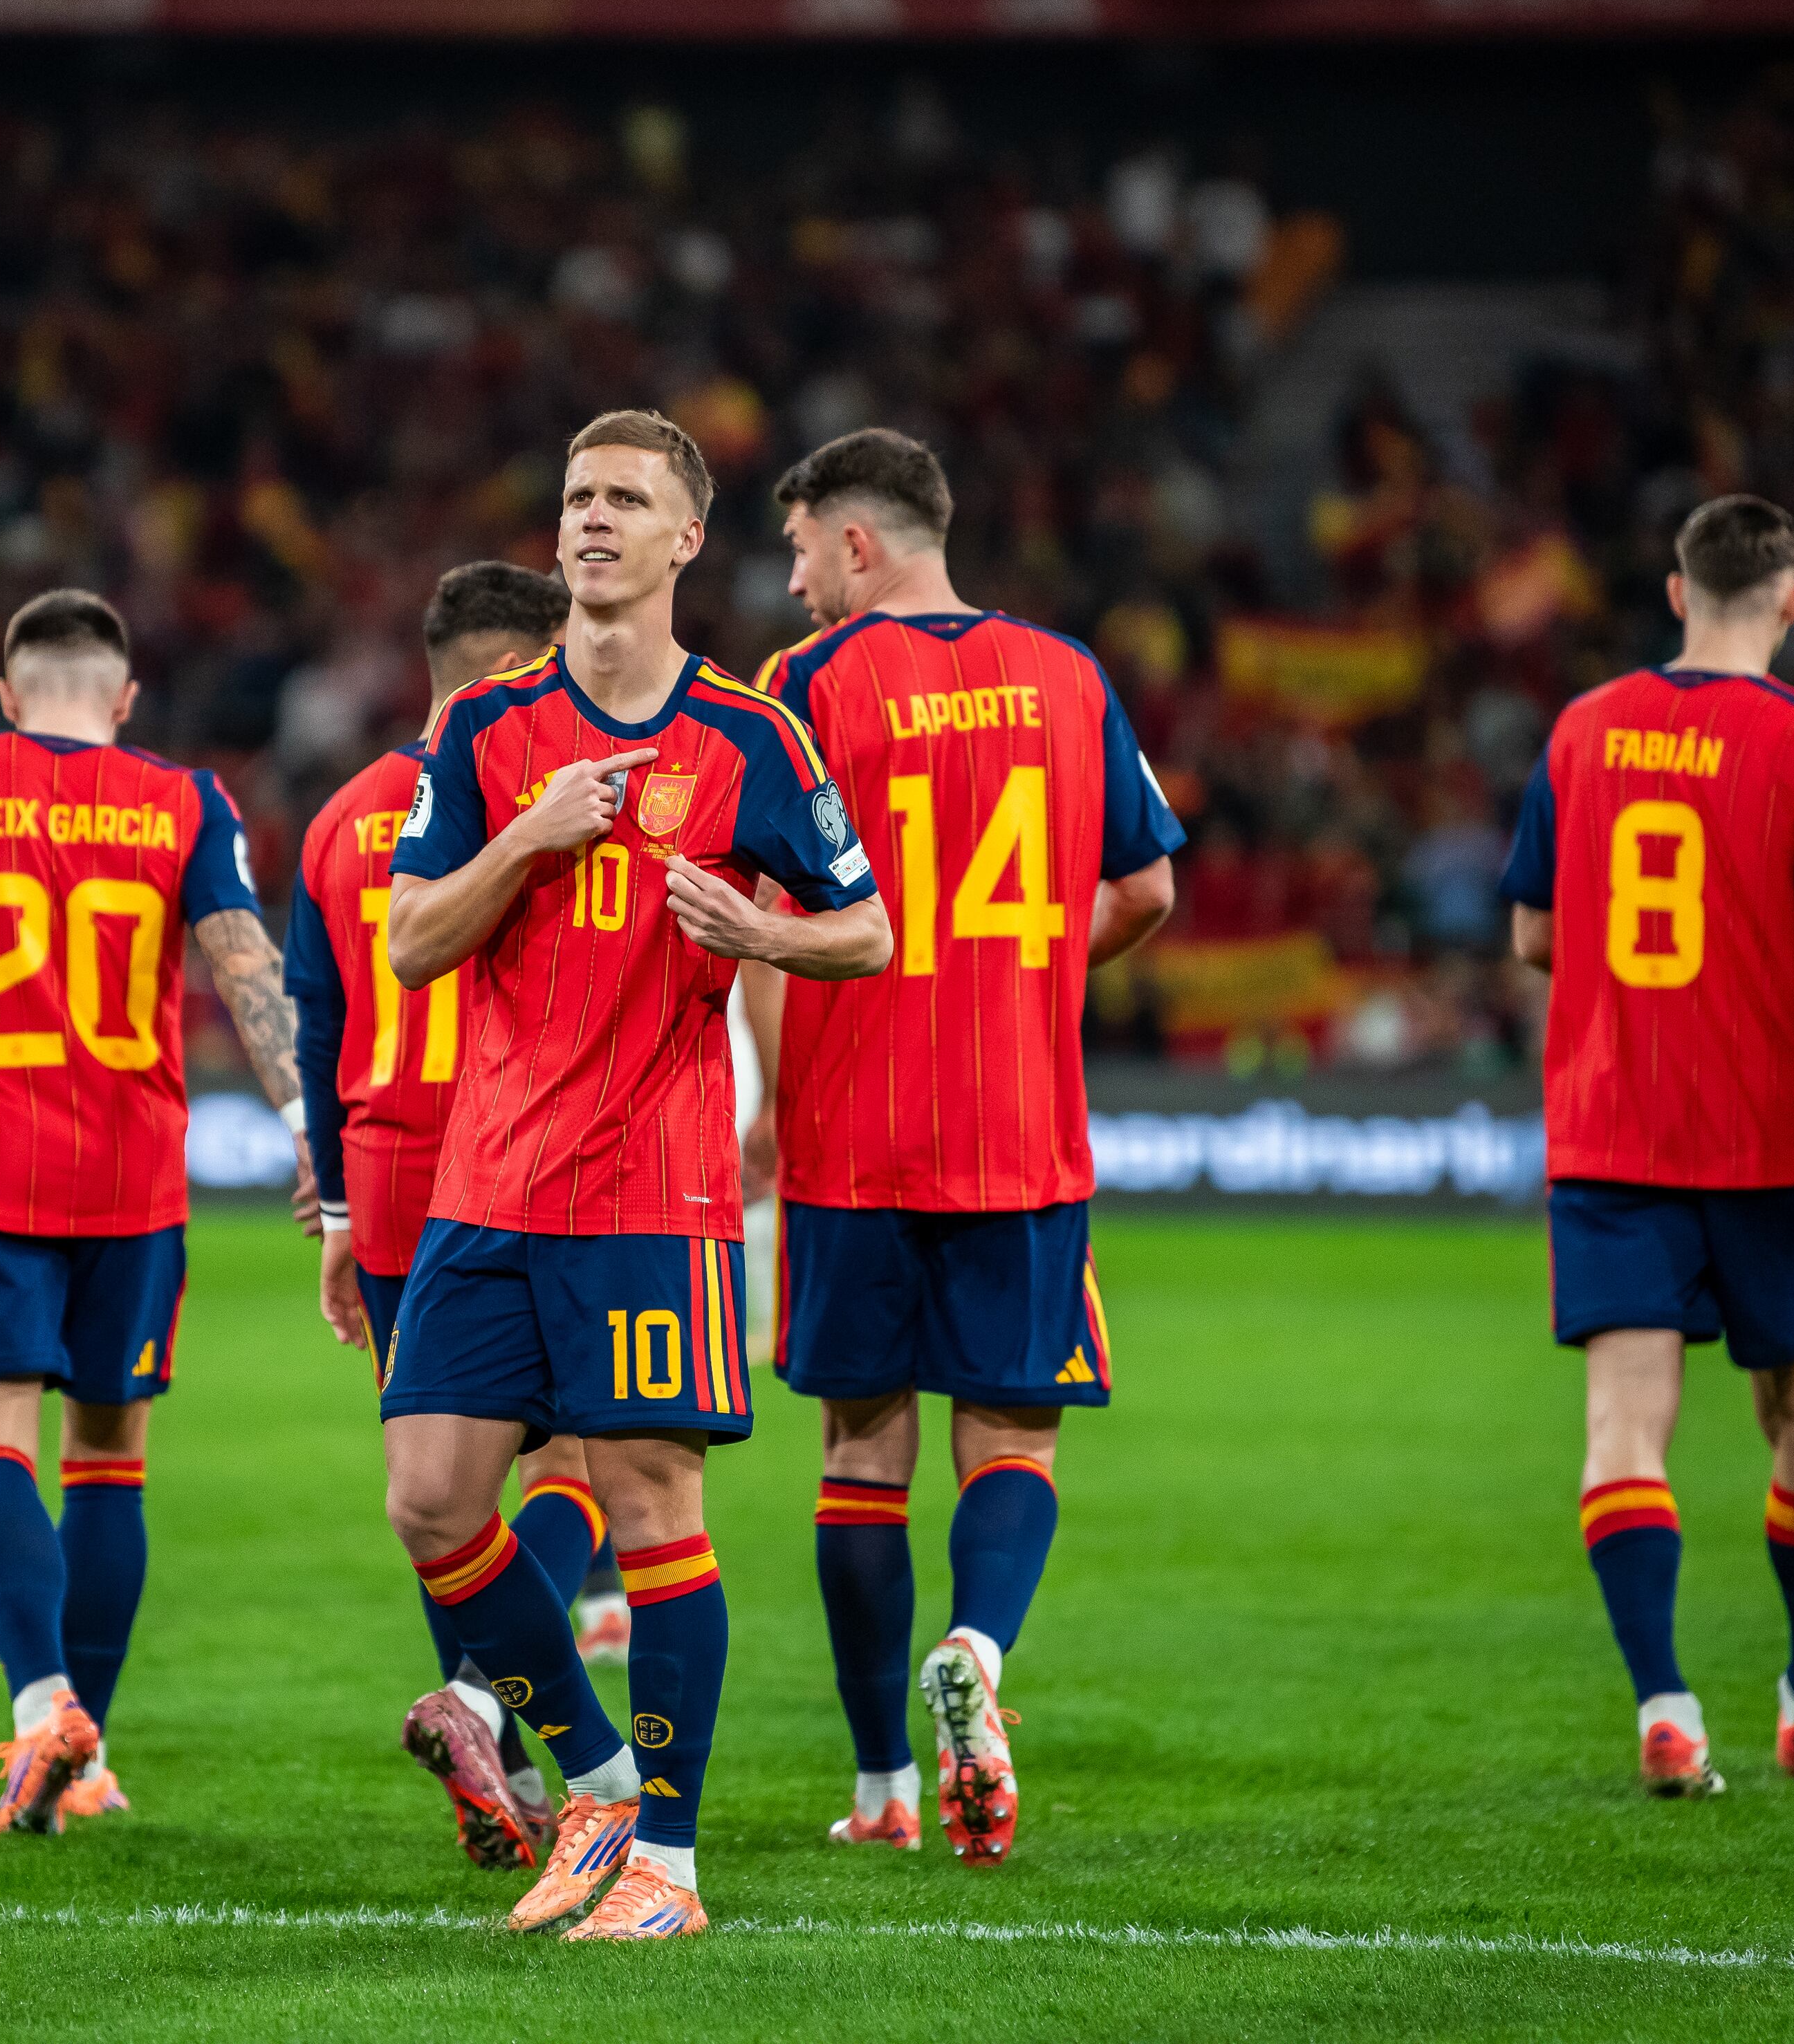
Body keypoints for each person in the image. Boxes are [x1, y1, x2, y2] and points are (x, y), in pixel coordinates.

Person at [380, 409, 891, 1941]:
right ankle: (596, 1773)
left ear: (685, 541)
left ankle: (666, 1862)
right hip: (486, 1178)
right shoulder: (481, 736)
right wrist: (526, 839)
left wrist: (766, 936)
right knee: (429, 1499)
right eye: (576, 497)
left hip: (650, 1187)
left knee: (650, 1502)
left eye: (627, 501)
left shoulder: (751, 737)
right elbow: (411, 939)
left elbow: (863, 928)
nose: (592, 520)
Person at [740, 429, 1182, 1864]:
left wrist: (762, 1087)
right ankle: (978, 1652)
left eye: (803, 547)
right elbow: (1148, 885)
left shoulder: (804, 687)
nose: (795, 579)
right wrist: (1038, 977)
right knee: (1013, 1432)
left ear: (859, 543)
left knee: (860, 1449)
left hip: (852, 1125)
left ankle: (881, 1788)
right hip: (1019, 1123)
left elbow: (761, 907)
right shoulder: (1067, 672)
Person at [0, 588, 306, 1834]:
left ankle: (44, 1701)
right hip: (138, 1173)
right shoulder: (185, 799)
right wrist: (309, 1125)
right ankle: (85, 1762)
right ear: (124, 699)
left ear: (6, 692)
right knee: (109, 1459)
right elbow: (242, 964)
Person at [1500, 492, 1794, 1797]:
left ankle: (1666, 1703)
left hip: (1614, 1129)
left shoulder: (1582, 729)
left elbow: (1534, 937)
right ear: (1791, 598)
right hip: (1771, 1135)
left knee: (1628, 1423)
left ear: (1677, 592)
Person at [286, 559, 602, 1870]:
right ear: (520, 664)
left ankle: (498, 1768)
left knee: (443, 1497)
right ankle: (482, 1703)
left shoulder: (339, 819)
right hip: (514, 1161)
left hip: (390, 1170)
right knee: (568, 1469)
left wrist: (343, 1208)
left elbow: (318, 1025)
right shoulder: (533, 792)